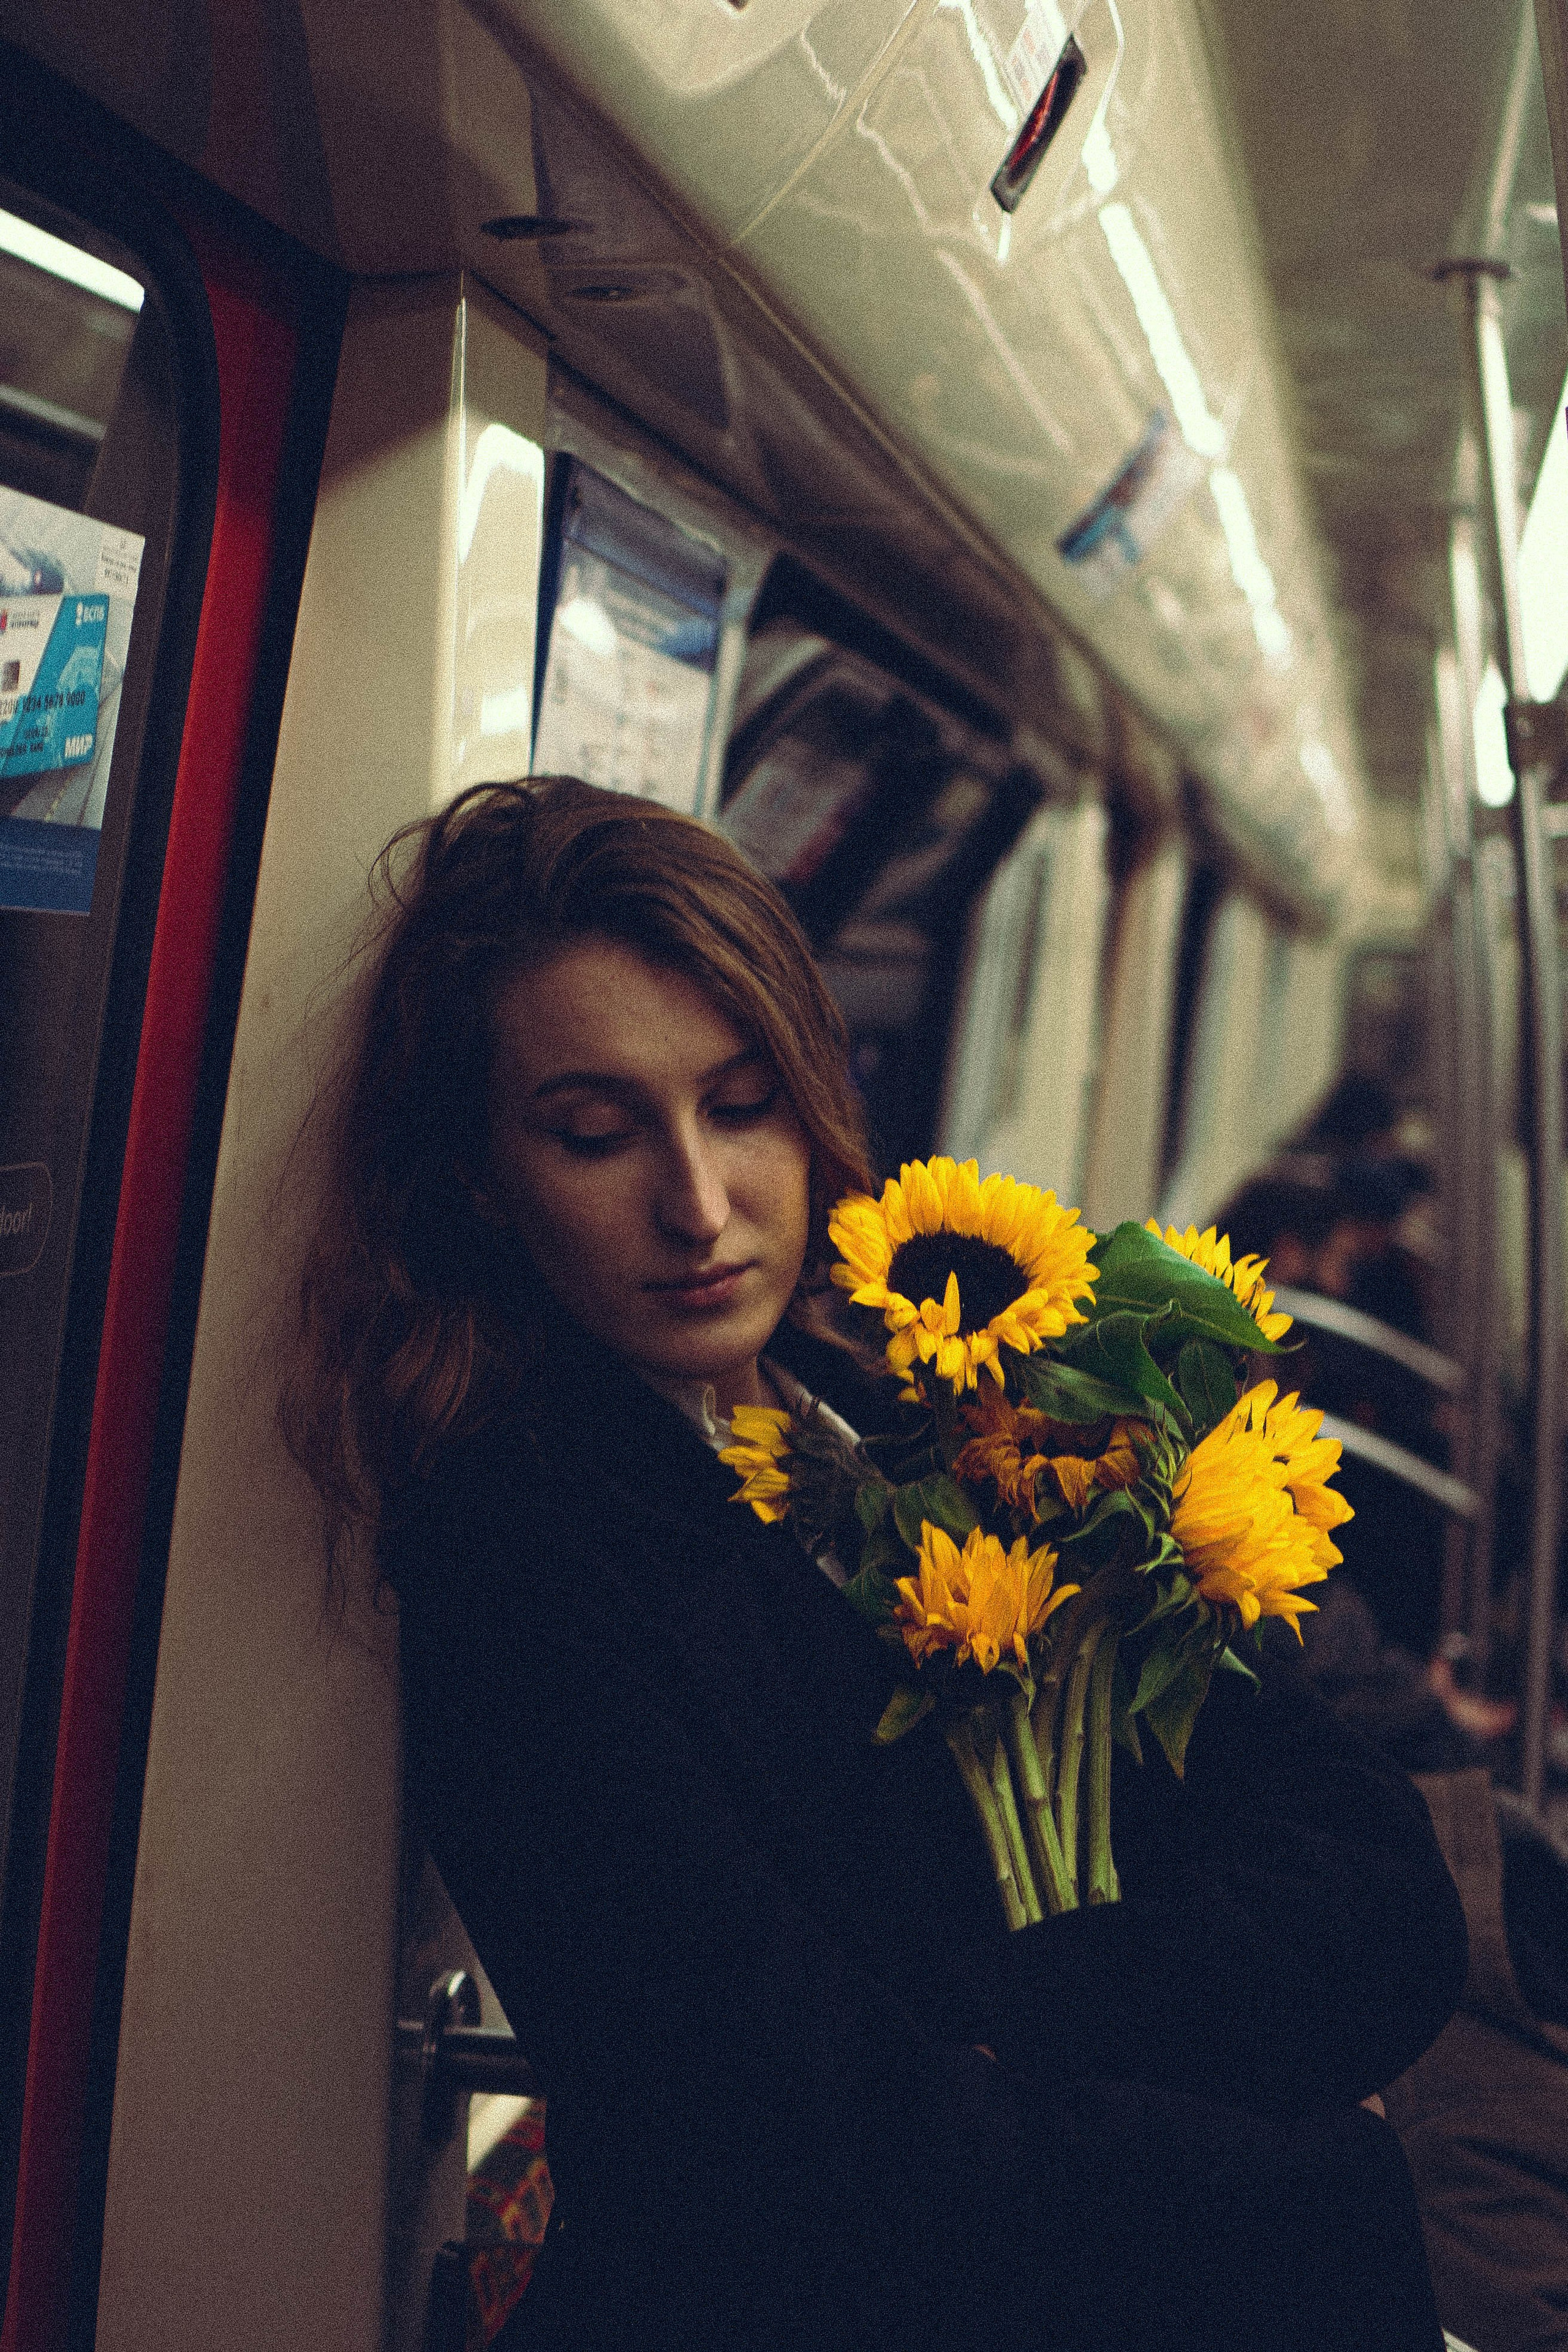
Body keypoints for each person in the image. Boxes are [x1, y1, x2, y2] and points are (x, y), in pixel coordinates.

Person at [282, 778, 1468, 2352]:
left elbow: (1377, 1880)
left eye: (741, 1104)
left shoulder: (924, 1410)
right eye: (593, 1131)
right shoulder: (522, 1558)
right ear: (486, 1178)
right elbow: (807, 2147)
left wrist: (1001, 2014)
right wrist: (1324, 2167)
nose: (698, 1208)